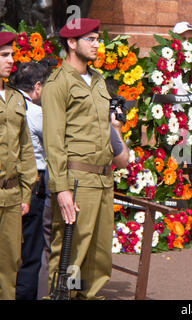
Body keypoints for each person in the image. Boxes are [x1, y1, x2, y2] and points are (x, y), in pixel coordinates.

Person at [41, 18, 117, 300]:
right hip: (76, 180)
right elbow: (53, 141)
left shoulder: (97, 80)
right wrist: (61, 189)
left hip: (103, 177)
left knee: (98, 255)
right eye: (90, 39)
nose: (97, 44)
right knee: (71, 253)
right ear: (71, 43)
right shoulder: (58, 83)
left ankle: (89, 296)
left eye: (98, 39)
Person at [0, 31, 37, 300]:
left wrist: (26, 193)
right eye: (4, 55)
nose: (11, 60)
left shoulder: (14, 98)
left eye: (11, 54)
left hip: (12, 195)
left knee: (11, 262)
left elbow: (25, 150)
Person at [11, 61, 50, 300]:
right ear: (37, 87)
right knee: (32, 249)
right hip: (34, 180)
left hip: (10, 181)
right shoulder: (35, 112)